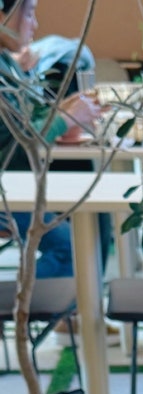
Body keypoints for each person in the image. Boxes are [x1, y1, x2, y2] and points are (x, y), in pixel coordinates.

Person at [0, 0, 101, 280]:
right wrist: (64, 119)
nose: (35, 25)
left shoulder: (7, 63)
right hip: (8, 190)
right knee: (72, 248)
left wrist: (65, 111)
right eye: (29, 14)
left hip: (17, 184)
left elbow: (23, 123)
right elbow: (17, 147)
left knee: (96, 219)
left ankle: (78, 304)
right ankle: (19, 303)